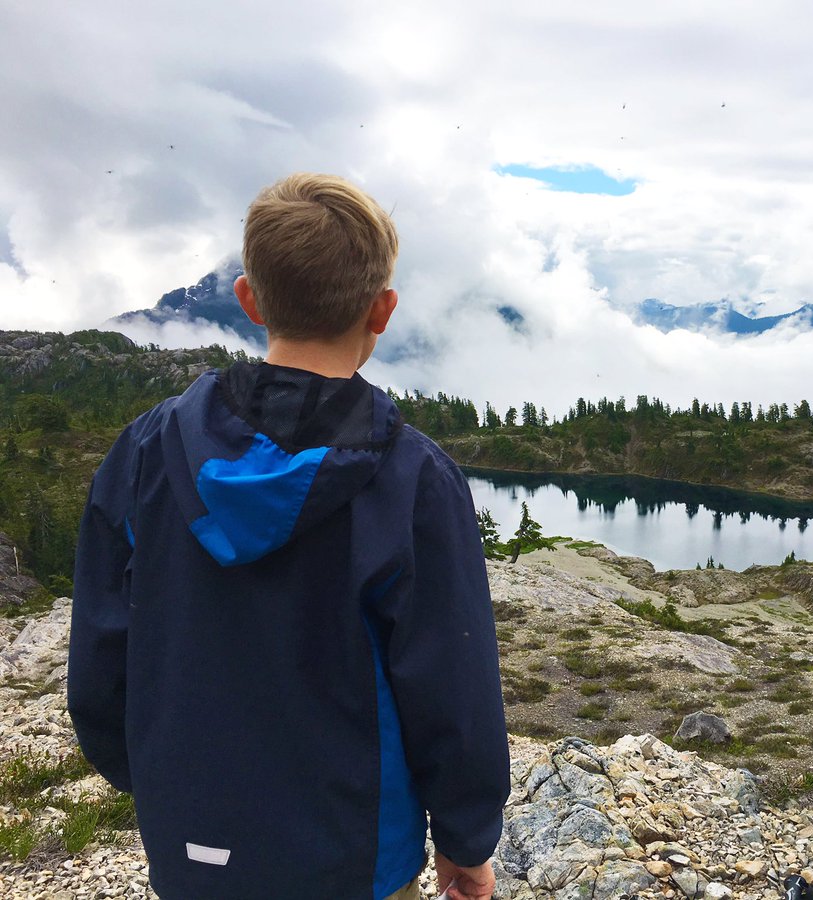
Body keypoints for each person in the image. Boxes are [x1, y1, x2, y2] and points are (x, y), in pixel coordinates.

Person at [68, 173, 510, 900]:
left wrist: (158, 781)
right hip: (356, 859)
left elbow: (99, 665)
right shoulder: (412, 478)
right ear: (383, 310)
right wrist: (466, 840)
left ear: (249, 299)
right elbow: (451, 689)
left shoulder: (145, 452)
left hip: (192, 849)